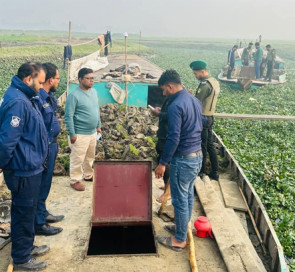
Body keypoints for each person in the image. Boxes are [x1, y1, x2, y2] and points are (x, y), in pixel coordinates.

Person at [0, 62, 49, 270]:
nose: (41, 86)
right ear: (28, 79)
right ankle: (21, 259)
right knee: (22, 213)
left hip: (30, 167)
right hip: (23, 170)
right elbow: (7, 140)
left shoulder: (25, 97)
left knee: (27, 212)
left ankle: (26, 247)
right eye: (39, 82)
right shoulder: (18, 102)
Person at [155, 70, 203, 251]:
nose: (163, 94)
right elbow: (201, 122)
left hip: (182, 160)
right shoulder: (193, 100)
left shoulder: (176, 105)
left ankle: (180, 239)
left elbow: (174, 137)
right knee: (188, 195)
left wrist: (162, 163)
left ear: (170, 86)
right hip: (196, 156)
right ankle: (182, 227)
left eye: (164, 90)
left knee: (179, 200)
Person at [34, 63, 64, 236]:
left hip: (52, 144)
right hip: (43, 147)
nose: (58, 82)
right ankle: (39, 223)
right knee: (40, 184)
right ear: (50, 79)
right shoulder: (39, 98)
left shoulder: (50, 97)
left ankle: (43, 213)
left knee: (46, 183)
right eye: (58, 78)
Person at [65, 68, 101, 191]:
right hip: (80, 133)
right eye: (88, 78)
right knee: (77, 158)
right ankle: (75, 180)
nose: (91, 81)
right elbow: (68, 116)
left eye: (92, 78)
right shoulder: (74, 95)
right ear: (80, 79)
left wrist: (98, 126)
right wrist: (72, 134)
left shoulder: (94, 92)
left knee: (90, 156)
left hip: (92, 132)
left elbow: (96, 109)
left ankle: (88, 175)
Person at [190, 60, 220, 181]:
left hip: (203, 117)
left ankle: (201, 171)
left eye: (196, 73)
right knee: (210, 145)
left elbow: (197, 102)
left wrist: (190, 95)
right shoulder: (214, 82)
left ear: (202, 71)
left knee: (201, 145)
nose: (195, 76)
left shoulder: (205, 84)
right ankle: (215, 172)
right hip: (210, 116)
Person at [150, 99, 171, 203]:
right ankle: (167, 186)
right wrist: (161, 110)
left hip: (168, 136)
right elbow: (168, 112)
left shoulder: (177, 100)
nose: (163, 93)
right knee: (162, 159)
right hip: (163, 135)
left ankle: (168, 192)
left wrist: (159, 114)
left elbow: (172, 116)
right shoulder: (171, 99)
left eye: (164, 89)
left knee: (166, 164)